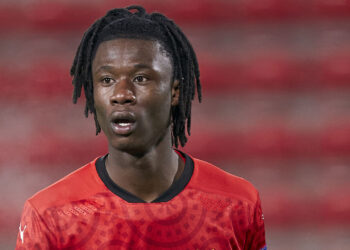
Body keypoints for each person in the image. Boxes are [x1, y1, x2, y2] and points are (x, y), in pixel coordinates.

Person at [16, 6, 266, 250]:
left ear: (174, 92)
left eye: (140, 79)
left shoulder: (237, 203)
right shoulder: (49, 215)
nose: (121, 94)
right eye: (107, 80)